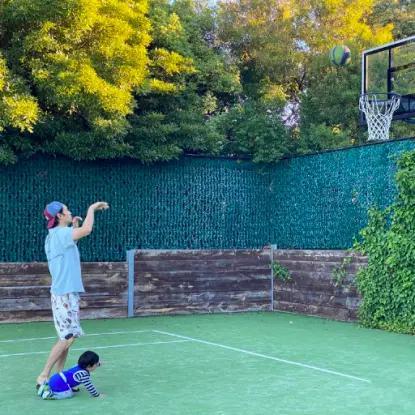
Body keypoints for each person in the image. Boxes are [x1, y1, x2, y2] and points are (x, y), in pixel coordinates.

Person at [35, 200, 109, 388]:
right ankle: (43, 375)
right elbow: (87, 230)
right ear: (59, 216)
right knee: (67, 338)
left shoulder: (54, 236)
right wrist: (92, 209)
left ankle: (59, 377)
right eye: (66, 211)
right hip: (64, 293)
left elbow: (69, 244)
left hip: (65, 292)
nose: (69, 212)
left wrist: (74, 226)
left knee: (67, 338)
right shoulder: (60, 234)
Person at [38, 350, 103, 399]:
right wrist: (97, 395)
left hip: (55, 378)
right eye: (96, 364)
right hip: (59, 383)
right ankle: (49, 394)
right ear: (89, 366)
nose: (97, 364)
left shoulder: (79, 366)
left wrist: (98, 364)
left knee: (66, 386)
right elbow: (89, 386)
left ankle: (46, 386)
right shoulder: (83, 374)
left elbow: (89, 366)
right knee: (69, 394)